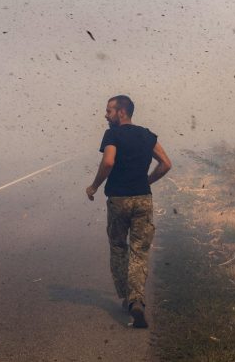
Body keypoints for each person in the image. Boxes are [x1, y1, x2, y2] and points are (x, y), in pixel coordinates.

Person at [85, 95, 171, 328]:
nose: (105, 115)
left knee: (118, 247)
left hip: (118, 200)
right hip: (143, 199)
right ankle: (137, 299)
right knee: (139, 251)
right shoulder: (147, 135)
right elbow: (166, 163)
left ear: (121, 112)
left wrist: (94, 186)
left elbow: (109, 162)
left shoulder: (112, 134)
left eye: (109, 111)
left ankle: (127, 295)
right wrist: (146, 181)